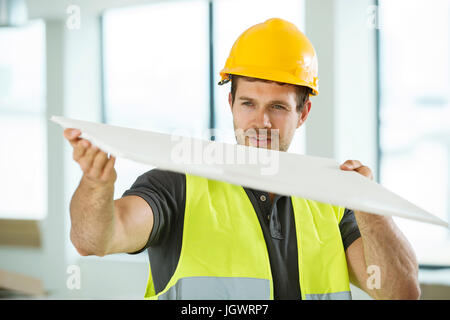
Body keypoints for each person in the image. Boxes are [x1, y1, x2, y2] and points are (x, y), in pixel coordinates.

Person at [63, 18, 420, 300]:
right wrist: (96, 186)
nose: (260, 122)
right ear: (230, 104)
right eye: (248, 103)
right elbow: (94, 240)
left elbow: (400, 293)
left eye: (278, 107)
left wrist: (372, 211)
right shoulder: (177, 184)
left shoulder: (331, 200)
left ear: (304, 112)